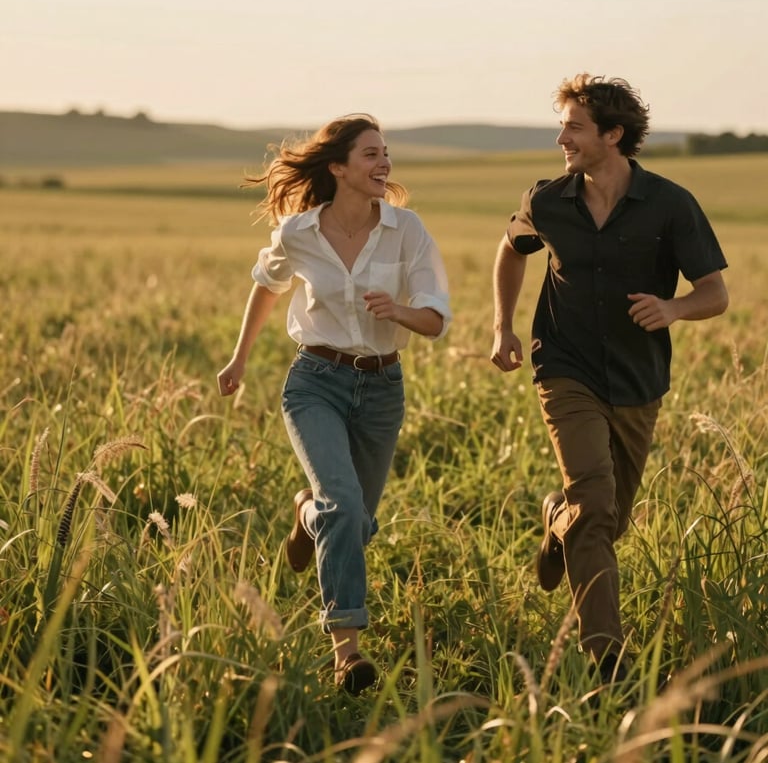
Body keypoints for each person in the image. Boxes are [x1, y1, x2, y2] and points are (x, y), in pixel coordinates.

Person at [490, 74, 728, 684]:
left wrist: (674, 308)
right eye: (562, 124)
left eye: (574, 126)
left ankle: (556, 520)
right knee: (595, 507)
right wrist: (504, 326)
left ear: (613, 135)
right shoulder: (546, 201)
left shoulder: (672, 204)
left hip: (637, 376)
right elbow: (513, 249)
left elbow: (715, 294)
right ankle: (607, 660)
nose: (560, 137)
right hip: (563, 364)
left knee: (608, 519)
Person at [217, 113, 451, 694]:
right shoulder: (298, 232)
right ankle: (347, 650)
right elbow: (266, 286)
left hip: (381, 388)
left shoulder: (407, 230)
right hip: (314, 381)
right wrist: (239, 358)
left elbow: (436, 317)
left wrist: (398, 312)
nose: (384, 163)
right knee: (344, 507)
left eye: (386, 153)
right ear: (338, 167)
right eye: (370, 154)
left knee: (355, 523)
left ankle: (306, 516)